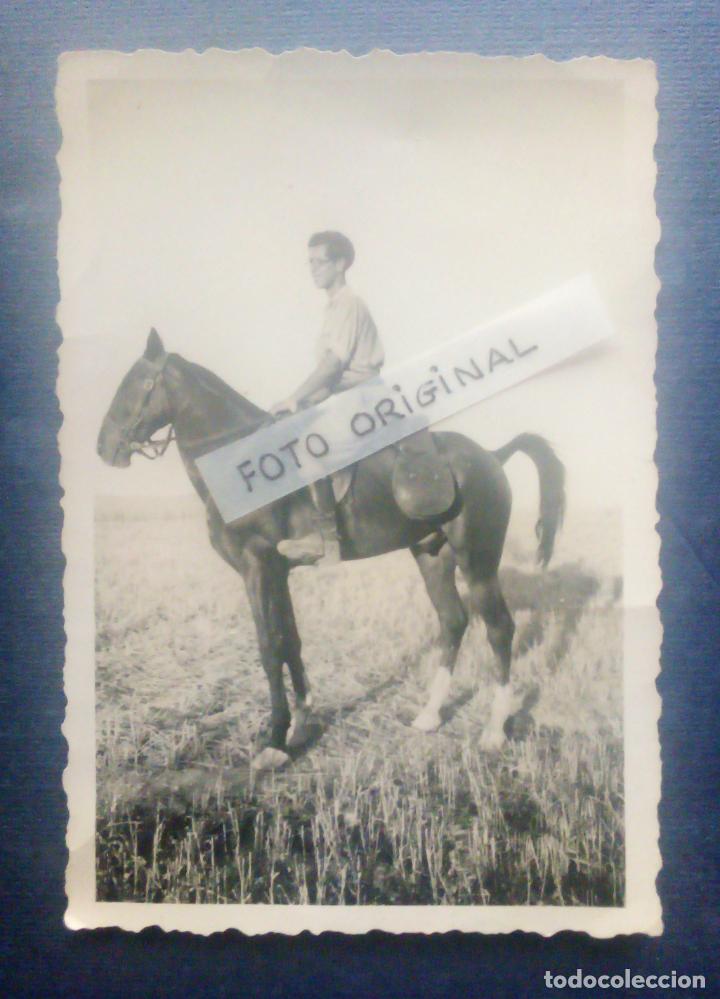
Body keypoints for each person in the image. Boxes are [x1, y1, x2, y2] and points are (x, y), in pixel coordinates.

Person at [270, 231, 385, 565]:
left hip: (363, 399)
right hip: (342, 397)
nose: (313, 268)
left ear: (341, 263)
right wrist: (301, 404)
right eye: (310, 262)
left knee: (310, 444)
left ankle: (326, 540)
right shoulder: (334, 308)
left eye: (319, 261)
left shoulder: (350, 304)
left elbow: (333, 365)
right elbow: (328, 375)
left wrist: (294, 398)